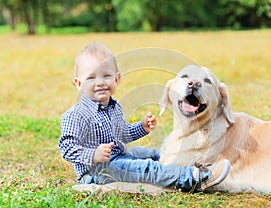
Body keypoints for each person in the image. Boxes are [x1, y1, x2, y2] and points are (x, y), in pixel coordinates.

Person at [58, 42, 230, 192]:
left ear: (117, 79)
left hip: (119, 157)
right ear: (79, 84)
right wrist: (92, 154)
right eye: (91, 78)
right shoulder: (76, 115)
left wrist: (142, 127)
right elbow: (66, 147)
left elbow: (122, 134)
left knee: (149, 154)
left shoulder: (113, 106)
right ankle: (194, 178)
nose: (100, 82)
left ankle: (180, 165)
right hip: (97, 170)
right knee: (146, 168)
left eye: (106, 76)